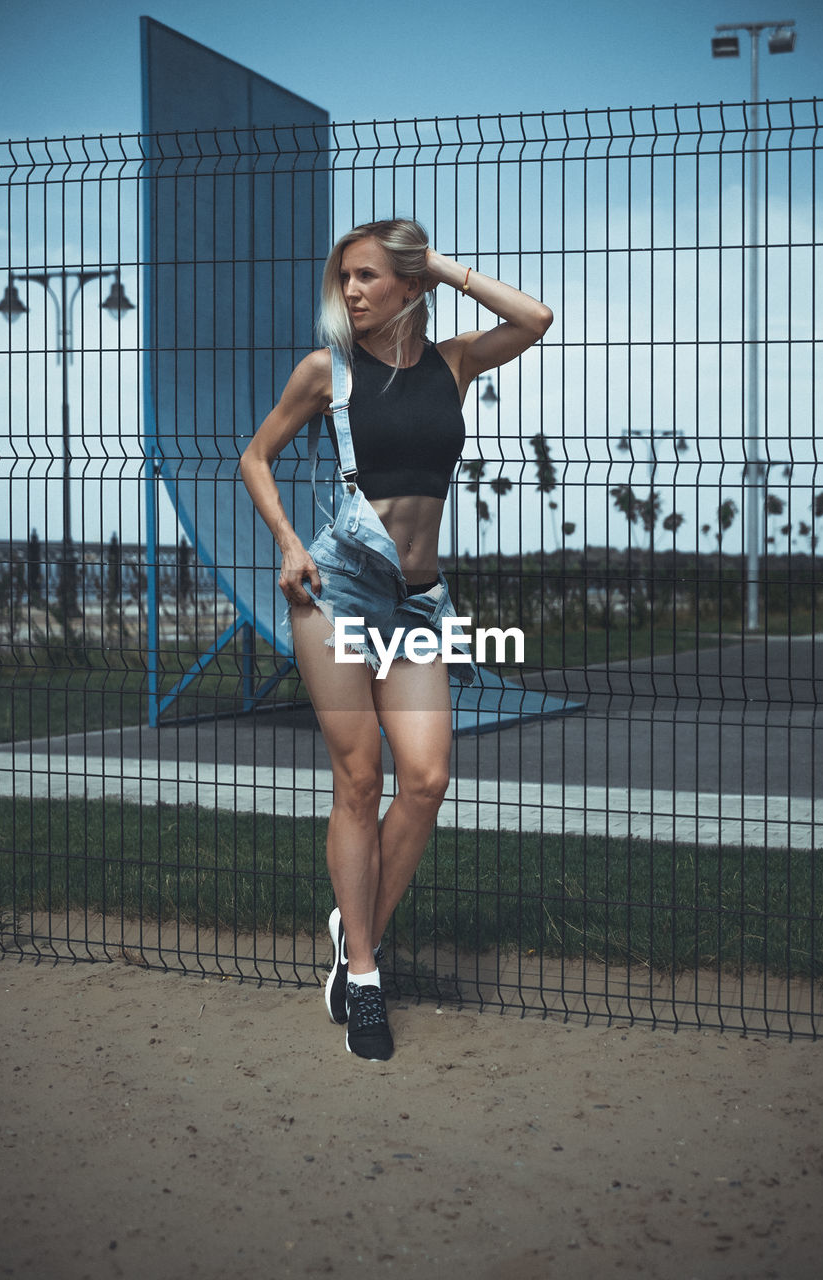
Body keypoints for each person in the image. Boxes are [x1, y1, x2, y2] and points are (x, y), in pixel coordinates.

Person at [240, 219, 552, 1060]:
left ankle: (355, 925)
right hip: (336, 592)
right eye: (344, 277)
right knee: (359, 776)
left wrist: (442, 267)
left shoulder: (451, 364)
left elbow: (534, 319)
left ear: (408, 288)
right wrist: (288, 542)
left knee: (425, 779)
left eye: (369, 277)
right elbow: (256, 456)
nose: (350, 292)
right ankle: (367, 977)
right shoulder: (325, 374)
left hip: (417, 602)